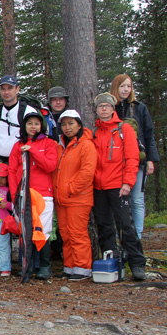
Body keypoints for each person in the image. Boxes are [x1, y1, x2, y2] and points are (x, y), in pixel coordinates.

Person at [92, 93, 147, 281]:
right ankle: (111, 261)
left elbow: (133, 158)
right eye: (101, 107)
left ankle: (137, 263)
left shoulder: (124, 130)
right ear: (97, 110)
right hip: (98, 187)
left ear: (112, 108)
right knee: (104, 226)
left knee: (125, 225)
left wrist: (128, 182)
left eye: (107, 106)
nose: (104, 109)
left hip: (118, 185)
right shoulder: (95, 132)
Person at [8, 111, 58, 280]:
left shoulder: (50, 144)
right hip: (24, 195)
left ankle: (44, 266)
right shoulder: (17, 146)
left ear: (42, 126)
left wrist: (33, 151)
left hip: (43, 194)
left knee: (42, 230)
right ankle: (26, 266)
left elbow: (50, 166)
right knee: (25, 231)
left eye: (37, 123)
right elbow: (13, 171)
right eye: (30, 123)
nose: (33, 127)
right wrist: (15, 194)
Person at [111, 74, 160, 238]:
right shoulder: (110, 108)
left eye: (129, 86)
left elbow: (149, 134)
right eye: (122, 86)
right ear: (116, 87)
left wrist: (151, 159)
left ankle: (137, 236)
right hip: (116, 162)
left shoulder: (139, 108)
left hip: (138, 160)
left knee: (137, 199)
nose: (126, 89)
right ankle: (121, 237)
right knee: (119, 200)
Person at [53, 110, 96, 281]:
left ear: (79, 124)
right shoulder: (60, 146)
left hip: (78, 198)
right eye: (64, 124)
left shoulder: (86, 145)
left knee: (77, 233)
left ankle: (83, 267)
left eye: (71, 123)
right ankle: (69, 267)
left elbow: (87, 172)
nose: (67, 127)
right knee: (65, 234)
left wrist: (71, 188)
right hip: (61, 199)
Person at [0, 75, 38, 189]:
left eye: (10, 88)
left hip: (21, 162)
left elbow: (37, 140)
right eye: (3, 89)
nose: (6, 92)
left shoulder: (29, 111)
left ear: (17, 89)